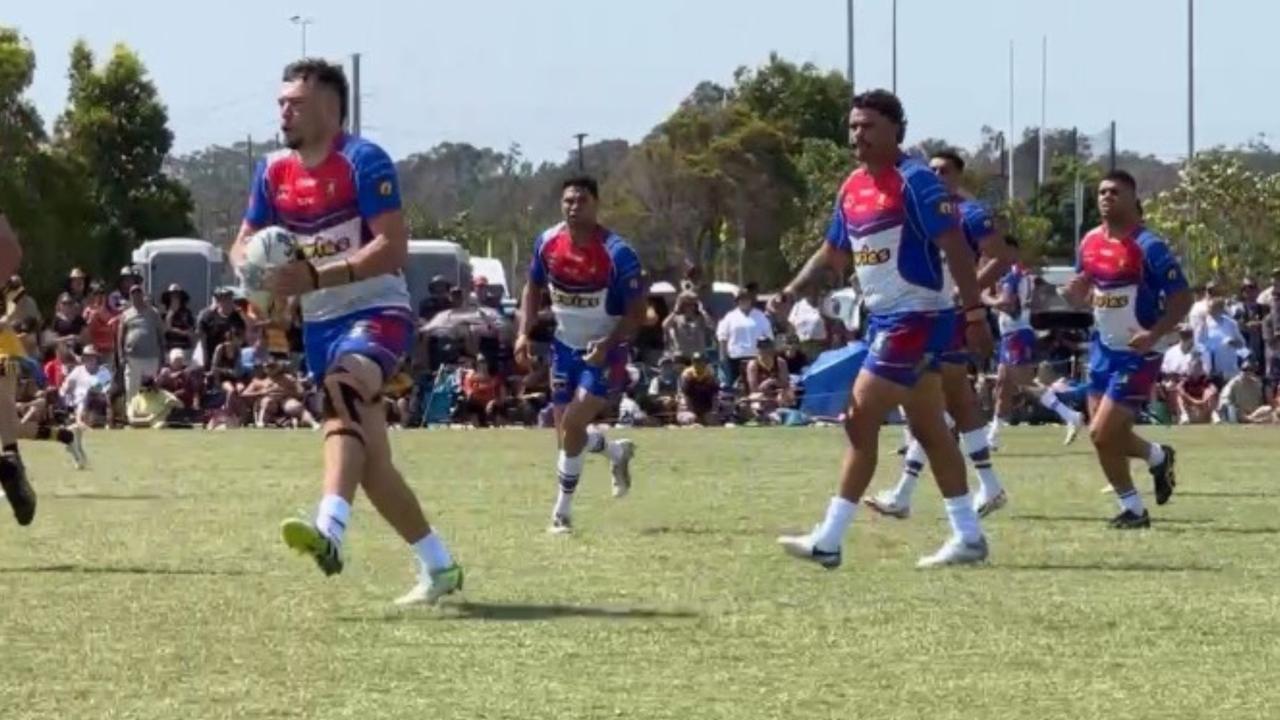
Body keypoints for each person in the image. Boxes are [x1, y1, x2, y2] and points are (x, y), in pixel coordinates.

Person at [231, 58, 461, 605]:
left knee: (340, 390)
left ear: (331, 109)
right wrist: (253, 281)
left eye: (296, 102)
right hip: (319, 325)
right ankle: (440, 566)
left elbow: (393, 247)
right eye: (281, 100)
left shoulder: (363, 160)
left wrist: (314, 274)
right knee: (373, 465)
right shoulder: (272, 171)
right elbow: (244, 239)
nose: (283, 109)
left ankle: (330, 532)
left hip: (378, 310)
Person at [773, 90, 994, 569]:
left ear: (897, 130)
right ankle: (968, 535)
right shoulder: (852, 186)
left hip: (918, 317)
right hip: (887, 320)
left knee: (859, 416)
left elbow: (956, 246)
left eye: (868, 126)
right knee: (929, 427)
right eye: (853, 126)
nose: (858, 135)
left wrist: (974, 314)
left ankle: (829, 539)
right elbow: (834, 253)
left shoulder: (917, 182)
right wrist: (791, 291)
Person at [864, 149, 1018, 521]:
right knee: (942, 402)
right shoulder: (921, 209)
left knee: (936, 401)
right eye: (930, 169)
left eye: (943, 170)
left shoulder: (969, 212)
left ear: (958, 175)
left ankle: (913, 492)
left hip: (949, 316)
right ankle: (973, 485)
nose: (935, 174)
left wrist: (966, 296)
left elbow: (1000, 255)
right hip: (929, 313)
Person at [1062, 170, 1190, 528]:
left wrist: (1153, 334)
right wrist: (1076, 295)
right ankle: (1141, 490)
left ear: (1134, 199)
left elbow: (1183, 299)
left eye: (1115, 192)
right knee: (1104, 437)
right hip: (1103, 348)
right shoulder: (1088, 241)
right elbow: (1089, 290)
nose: (1106, 197)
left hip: (1138, 354)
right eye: (1102, 192)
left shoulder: (1149, 246)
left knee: (1103, 432)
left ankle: (1147, 481)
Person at [515, 175, 641, 535]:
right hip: (563, 348)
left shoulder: (617, 253)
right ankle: (615, 452)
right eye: (567, 201)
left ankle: (562, 513)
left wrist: (609, 344)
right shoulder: (548, 243)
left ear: (596, 204)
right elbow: (533, 286)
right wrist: (523, 332)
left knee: (573, 425)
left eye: (581, 201)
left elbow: (637, 312)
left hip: (605, 351)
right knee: (567, 438)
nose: (573, 207)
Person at [985, 256, 1084, 449]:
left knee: (1025, 382)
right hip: (1016, 334)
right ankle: (992, 437)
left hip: (1015, 334)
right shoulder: (1022, 274)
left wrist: (985, 298)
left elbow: (1008, 305)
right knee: (1003, 386)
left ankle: (1070, 415)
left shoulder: (1011, 275)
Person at [0, 213, 36, 524]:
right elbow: (12, 249)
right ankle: (11, 458)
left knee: (5, 394)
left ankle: (11, 456)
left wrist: (6, 321)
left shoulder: (11, 285)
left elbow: (23, 305)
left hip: (5, 345)